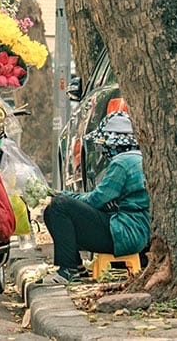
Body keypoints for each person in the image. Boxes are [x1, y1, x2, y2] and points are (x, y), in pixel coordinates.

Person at [42, 110, 150, 282]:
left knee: (60, 205)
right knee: (50, 211)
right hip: (138, 234)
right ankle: (76, 266)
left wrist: (64, 195)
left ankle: (67, 271)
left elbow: (96, 200)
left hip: (124, 234)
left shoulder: (122, 163)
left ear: (114, 144)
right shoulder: (142, 158)